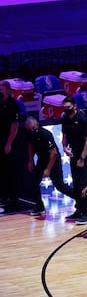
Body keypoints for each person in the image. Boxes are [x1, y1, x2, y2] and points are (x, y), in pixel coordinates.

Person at [24, 115, 76, 216]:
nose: (32, 130)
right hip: (42, 160)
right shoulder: (29, 134)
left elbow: (54, 153)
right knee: (33, 183)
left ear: (36, 125)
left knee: (60, 186)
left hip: (53, 160)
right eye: (29, 129)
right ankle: (39, 207)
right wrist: (30, 160)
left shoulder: (45, 134)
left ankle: (81, 200)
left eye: (33, 128)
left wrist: (48, 169)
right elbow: (30, 146)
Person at [60, 95, 87, 221]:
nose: (66, 110)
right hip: (73, 153)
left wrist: (82, 158)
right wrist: (64, 147)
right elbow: (64, 135)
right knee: (76, 183)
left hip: (84, 153)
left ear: (74, 106)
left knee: (83, 182)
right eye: (64, 108)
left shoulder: (82, 119)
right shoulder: (65, 118)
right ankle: (79, 209)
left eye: (68, 107)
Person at [0, 80, 22, 212]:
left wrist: (9, 143)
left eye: (1, 88)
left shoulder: (13, 104)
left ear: (8, 89)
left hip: (8, 141)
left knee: (9, 169)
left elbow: (15, 126)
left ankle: (12, 198)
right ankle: (2, 197)